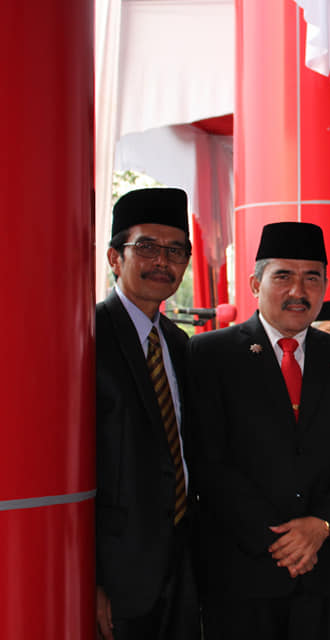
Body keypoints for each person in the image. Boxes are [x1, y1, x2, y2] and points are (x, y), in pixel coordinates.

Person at [188, 222, 330, 639]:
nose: (299, 290)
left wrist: (322, 526)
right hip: (242, 571)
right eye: (283, 276)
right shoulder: (210, 354)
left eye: (312, 277)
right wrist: (281, 541)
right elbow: (208, 461)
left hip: (325, 570)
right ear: (255, 284)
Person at [95, 187, 200, 640]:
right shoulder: (87, 337)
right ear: (115, 258)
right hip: (116, 572)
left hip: (182, 563)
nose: (162, 261)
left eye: (175, 251)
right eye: (147, 247)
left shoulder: (179, 344)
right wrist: (90, 577)